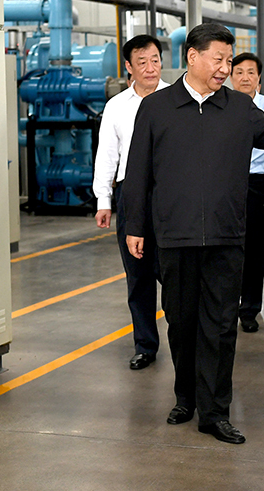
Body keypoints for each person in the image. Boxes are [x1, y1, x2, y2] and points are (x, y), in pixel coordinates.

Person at [123, 23, 264, 444]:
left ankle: (215, 411)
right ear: (193, 57)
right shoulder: (157, 107)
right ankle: (185, 397)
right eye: (218, 59)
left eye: (229, 60)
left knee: (220, 326)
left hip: (226, 235)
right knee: (181, 323)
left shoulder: (238, 107)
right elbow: (138, 171)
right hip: (175, 236)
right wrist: (135, 226)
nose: (225, 68)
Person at [93, 34, 169, 370]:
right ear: (128, 67)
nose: (150, 68)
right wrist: (103, 199)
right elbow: (107, 154)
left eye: (155, 60)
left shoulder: (176, 99)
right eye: (142, 62)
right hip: (130, 195)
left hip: (169, 193)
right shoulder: (116, 106)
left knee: (173, 271)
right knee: (137, 274)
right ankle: (145, 345)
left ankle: (186, 339)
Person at [230, 53, 264, 333]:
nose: (245, 78)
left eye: (251, 72)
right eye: (239, 72)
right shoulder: (221, 105)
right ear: (230, 76)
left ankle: (249, 309)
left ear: (259, 78)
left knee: (254, 248)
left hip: (259, 184)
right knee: (226, 248)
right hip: (226, 184)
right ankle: (227, 307)